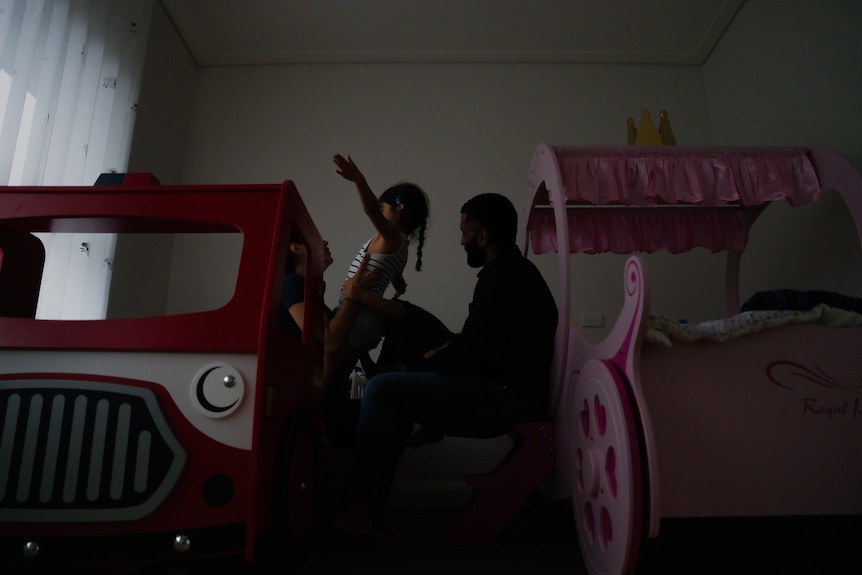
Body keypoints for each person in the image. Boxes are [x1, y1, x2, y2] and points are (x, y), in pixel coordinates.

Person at [333, 192, 558, 537]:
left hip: (506, 397)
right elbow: (482, 344)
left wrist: (429, 364)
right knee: (404, 342)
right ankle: (367, 509)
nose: (462, 240)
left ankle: (359, 508)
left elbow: (473, 353)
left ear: (482, 237)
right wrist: (435, 357)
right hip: (503, 386)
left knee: (381, 388)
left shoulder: (503, 278)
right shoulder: (513, 273)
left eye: (465, 233)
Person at [330, 153, 430, 386]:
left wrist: (359, 180)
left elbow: (371, 211)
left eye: (383, 208)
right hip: (369, 319)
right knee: (341, 371)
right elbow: (395, 276)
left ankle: (317, 413)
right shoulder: (400, 247)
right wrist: (399, 284)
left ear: (399, 209)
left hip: (359, 315)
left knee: (329, 364)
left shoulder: (390, 237)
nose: (379, 211)